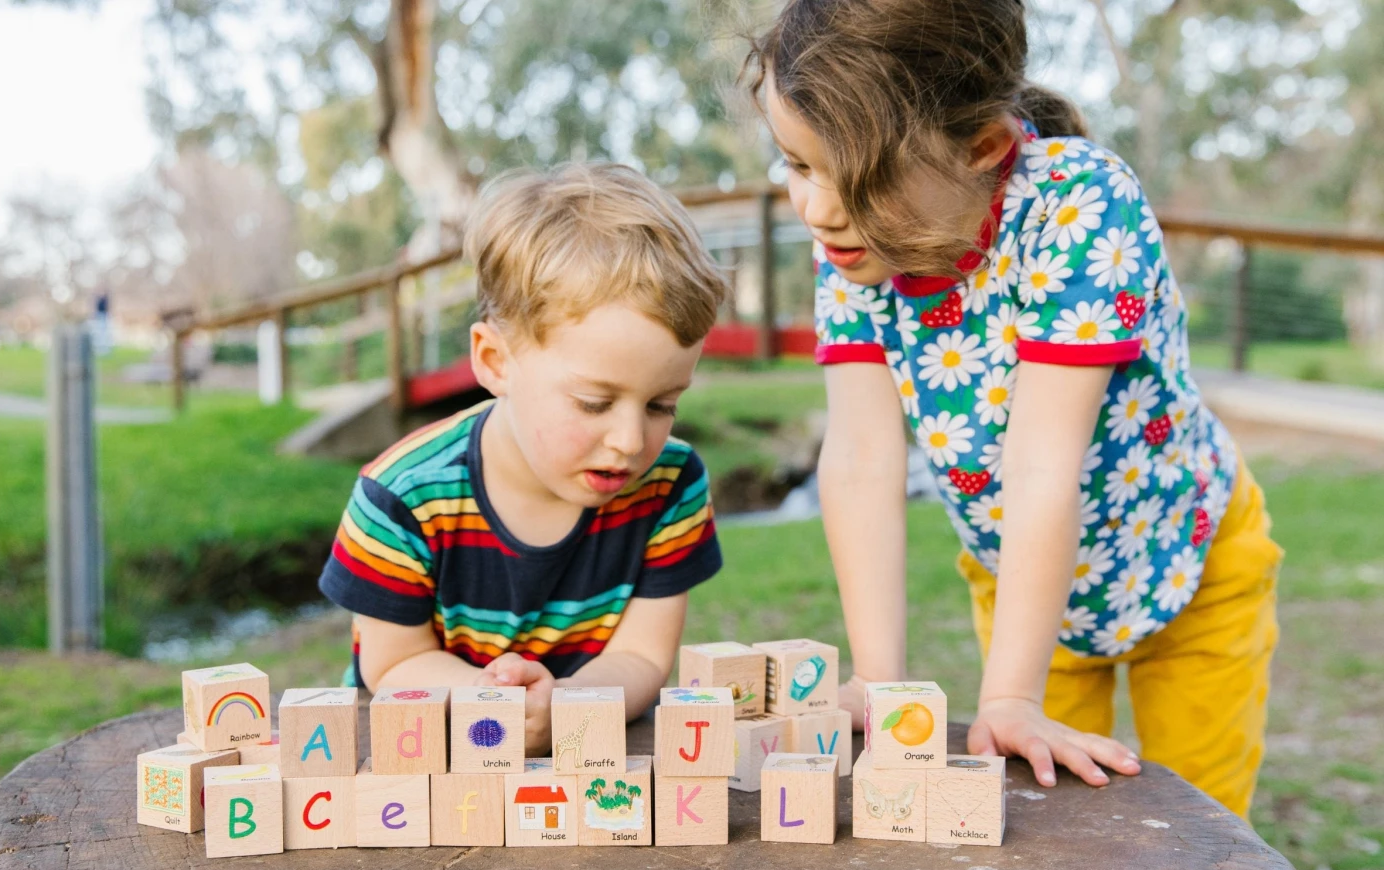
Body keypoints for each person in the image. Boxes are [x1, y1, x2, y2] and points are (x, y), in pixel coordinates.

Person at [748, 0, 1283, 816]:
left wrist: (1008, 699)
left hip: (1190, 568)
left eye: (858, 177)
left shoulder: (1081, 207)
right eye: (798, 165)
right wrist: (879, 678)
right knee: (1066, 836)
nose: (819, 209)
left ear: (983, 148)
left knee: (1196, 829)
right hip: (1029, 588)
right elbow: (860, 462)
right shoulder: (856, 246)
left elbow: (1041, 464)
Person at [318, 162, 727, 755]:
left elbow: (641, 655)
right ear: (496, 361)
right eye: (594, 402)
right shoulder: (401, 497)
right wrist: (499, 703)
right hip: (425, 763)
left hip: (583, 766)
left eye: (663, 404)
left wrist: (566, 707)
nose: (630, 440)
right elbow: (395, 665)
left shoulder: (671, 485)